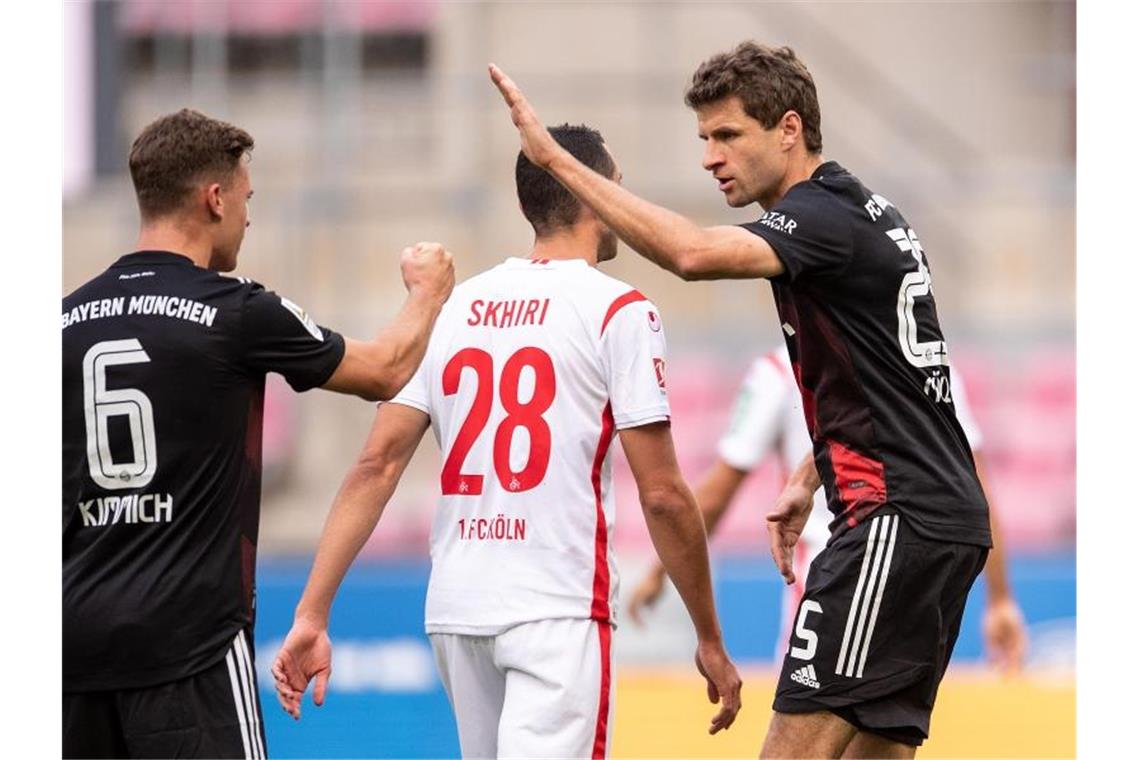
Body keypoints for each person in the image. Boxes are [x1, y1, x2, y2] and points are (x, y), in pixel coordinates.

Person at [490, 41, 993, 757]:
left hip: (893, 519)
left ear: (788, 129)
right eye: (703, 138)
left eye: (727, 135)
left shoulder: (820, 218)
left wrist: (558, 163)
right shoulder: (864, 213)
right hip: (929, 519)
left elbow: (693, 254)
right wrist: (813, 470)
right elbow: (896, 377)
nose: (709, 156)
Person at [270, 124, 742, 758]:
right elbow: (662, 494)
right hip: (556, 605)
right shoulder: (620, 310)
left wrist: (311, 613)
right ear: (590, 192)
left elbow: (375, 465)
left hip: (459, 609)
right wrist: (709, 636)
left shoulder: (456, 307)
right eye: (615, 187)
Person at [62, 108, 454, 759]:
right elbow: (384, 370)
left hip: (72, 658)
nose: (250, 216)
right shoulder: (235, 309)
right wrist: (427, 295)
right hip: (190, 653)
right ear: (214, 198)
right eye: (247, 199)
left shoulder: (64, 320)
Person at [626, 347, 1028, 674]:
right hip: (907, 582)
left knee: (803, 739)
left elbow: (719, 491)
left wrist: (660, 571)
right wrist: (1000, 598)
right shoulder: (927, 362)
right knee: (883, 736)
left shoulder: (780, 373)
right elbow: (973, 485)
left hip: (825, 586)